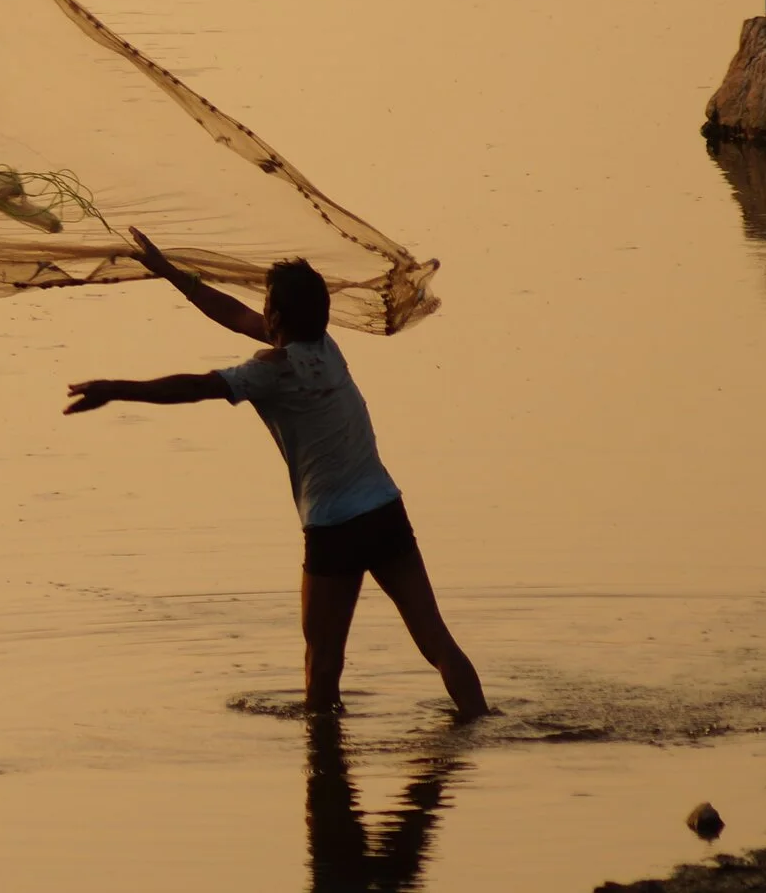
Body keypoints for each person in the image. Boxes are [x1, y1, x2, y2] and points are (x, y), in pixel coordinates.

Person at [63, 229, 488, 721]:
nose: (259, 310)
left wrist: (115, 388)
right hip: (386, 511)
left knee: (322, 666)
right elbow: (232, 314)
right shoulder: (324, 347)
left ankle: (325, 773)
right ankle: (482, 727)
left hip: (333, 529)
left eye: (266, 303)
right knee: (436, 641)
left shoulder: (272, 370)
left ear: (278, 318)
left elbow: (197, 387)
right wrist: (170, 272)